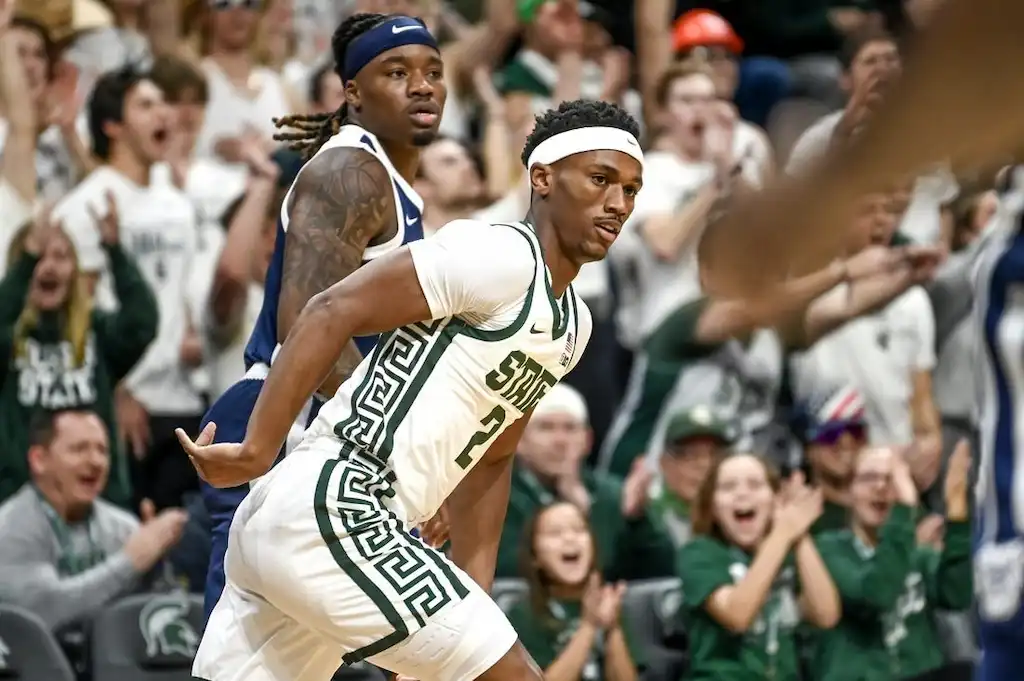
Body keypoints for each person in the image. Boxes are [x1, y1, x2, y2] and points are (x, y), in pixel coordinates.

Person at [177, 97, 643, 681]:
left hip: (338, 529)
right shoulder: (494, 253)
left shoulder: (573, 324)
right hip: (339, 503)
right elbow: (330, 308)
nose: (618, 203)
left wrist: (466, 603)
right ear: (543, 178)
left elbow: (494, 455)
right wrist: (256, 448)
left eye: (630, 190)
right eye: (601, 180)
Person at [194, 11, 444, 623]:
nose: (423, 85)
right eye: (397, 71)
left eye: (433, 71)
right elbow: (310, 329)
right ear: (352, 91)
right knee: (243, 652)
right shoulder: (348, 174)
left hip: (334, 434)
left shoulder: (391, 185)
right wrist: (396, 458)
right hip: (283, 422)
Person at [809, 444, 972, 681]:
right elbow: (875, 595)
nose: (880, 487)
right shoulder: (828, 549)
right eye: (868, 478)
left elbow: (957, 596)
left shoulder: (917, 554)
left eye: (892, 479)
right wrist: (904, 510)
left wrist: (957, 514)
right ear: (849, 492)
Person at [677, 453, 840, 681]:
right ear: (712, 507)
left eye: (755, 484)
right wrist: (783, 533)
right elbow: (737, 615)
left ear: (775, 500)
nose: (742, 493)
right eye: (728, 487)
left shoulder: (787, 552)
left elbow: (826, 615)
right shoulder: (699, 553)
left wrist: (799, 534)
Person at [507, 501, 642, 681]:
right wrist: (589, 626)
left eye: (579, 530)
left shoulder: (611, 604)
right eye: (555, 533)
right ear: (535, 557)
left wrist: (613, 628)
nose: (570, 538)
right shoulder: (523, 615)